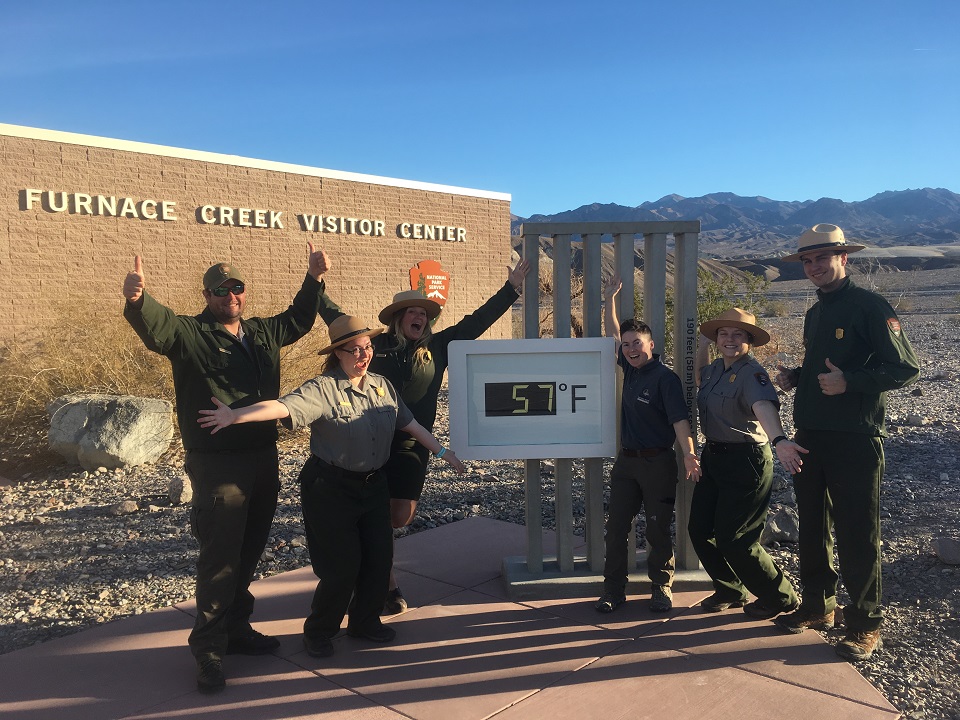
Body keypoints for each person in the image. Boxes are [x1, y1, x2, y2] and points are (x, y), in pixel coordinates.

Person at [122, 245, 328, 694]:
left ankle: (236, 629)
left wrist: (313, 278)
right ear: (207, 294)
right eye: (220, 290)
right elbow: (159, 329)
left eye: (236, 288)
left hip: (262, 457)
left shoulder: (261, 332)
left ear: (243, 292)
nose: (229, 296)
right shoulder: (190, 333)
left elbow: (298, 318)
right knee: (219, 558)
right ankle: (210, 651)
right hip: (216, 464)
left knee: (250, 549)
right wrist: (139, 301)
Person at [198, 315, 465, 658]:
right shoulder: (321, 389)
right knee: (341, 567)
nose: (363, 355)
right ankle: (320, 630)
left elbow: (411, 424)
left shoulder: (382, 386)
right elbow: (282, 406)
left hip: (373, 486)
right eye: (354, 350)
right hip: (331, 488)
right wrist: (236, 415)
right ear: (337, 354)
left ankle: (365, 622)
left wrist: (444, 453)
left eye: (367, 347)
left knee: (379, 559)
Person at [317, 258, 530, 613]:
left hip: (415, 444)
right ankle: (384, 584)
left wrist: (511, 290)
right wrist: (317, 285)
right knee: (374, 515)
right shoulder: (375, 346)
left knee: (399, 515)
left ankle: (370, 565)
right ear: (399, 317)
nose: (421, 317)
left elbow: (476, 322)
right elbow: (338, 321)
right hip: (369, 443)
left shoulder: (439, 347)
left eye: (425, 313)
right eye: (413, 312)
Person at [772, 224, 919, 661]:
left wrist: (850, 382)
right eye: (807, 261)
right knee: (812, 528)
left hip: (856, 439)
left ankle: (864, 622)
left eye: (822, 258)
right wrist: (797, 378)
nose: (814, 267)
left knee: (858, 532)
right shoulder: (814, 313)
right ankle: (819, 607)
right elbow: (823, 367)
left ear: (844, 259)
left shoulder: (870, 306)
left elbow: (906, 368)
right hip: (811, 437)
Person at [594, 277, 700, 614]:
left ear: (651, 345)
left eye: (637, 343)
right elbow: (613, 332)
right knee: (616, 529)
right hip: (627, 464)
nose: (630, 349)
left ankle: (661, 587)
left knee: (657, 528)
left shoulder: (665, 379)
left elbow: (680, 421)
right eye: (627, 345)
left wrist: (690, 455)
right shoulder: (630, 367)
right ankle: (613, 590)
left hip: (658, 464)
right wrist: (609, 299)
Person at [690, 308, 801, 619]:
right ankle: (730, 588)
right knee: (699, 529)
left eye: (738, 334)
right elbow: (699, 377)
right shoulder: (714, 369)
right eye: (723, 333)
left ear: (749, 341)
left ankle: (781, 597)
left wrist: (780, 441)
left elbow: (763, 406)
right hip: (713, 457)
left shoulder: (753, 374)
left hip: (746, 461)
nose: (730, 339)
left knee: (736, 537)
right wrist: (701, 342)